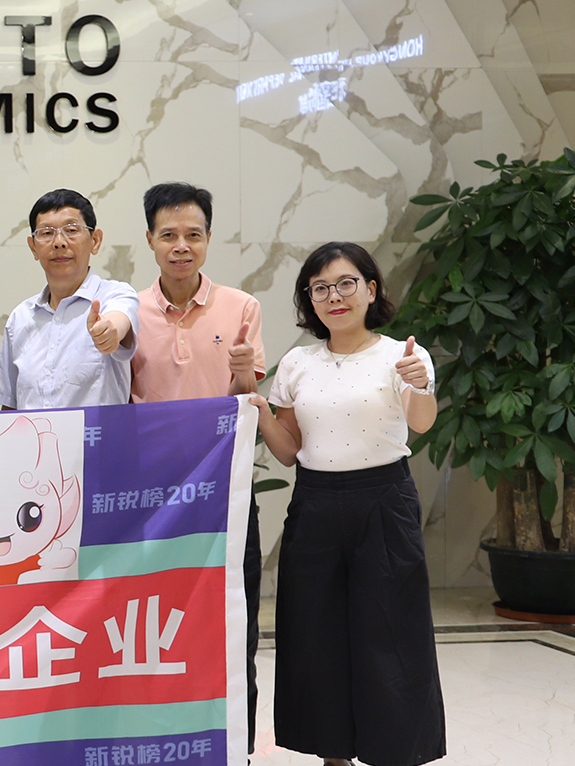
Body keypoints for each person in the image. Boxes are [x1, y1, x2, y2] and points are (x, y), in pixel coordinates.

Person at [254, 242, 444, 766]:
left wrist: (421, 384)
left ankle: (394, 752)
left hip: (384, 502)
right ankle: (331, 754)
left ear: (370, 289)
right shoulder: (298, 363)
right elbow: (289, 451)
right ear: (309, 300)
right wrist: (260, 407)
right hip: (315, 504)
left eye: (345, 284)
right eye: (320, 288)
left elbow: (422, 422)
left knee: (391, 629)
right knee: (315, 630)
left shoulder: (402, 355)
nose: (333, 297)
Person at [127, 182, 266, 755]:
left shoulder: (241, 307)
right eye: (169, 235)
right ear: (150, 240)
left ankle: (236, 746)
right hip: (150, 497)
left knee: (234, 618)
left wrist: (244, 372)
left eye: (193, 234)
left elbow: (246, 398)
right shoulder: (128, 311)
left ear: (208, 238)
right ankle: (157, 739)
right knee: (150, 620)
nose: (181, 246)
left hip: (224, 489)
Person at [0, 189, 139, 410]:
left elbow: (118, 321)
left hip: (97, 434)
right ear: (33, 247)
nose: (59, 242)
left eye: (71, 230)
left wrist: (109, 332)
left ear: (95, 241)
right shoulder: (20, 317)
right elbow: (10, 406)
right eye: (46, 233)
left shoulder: (115, 295)